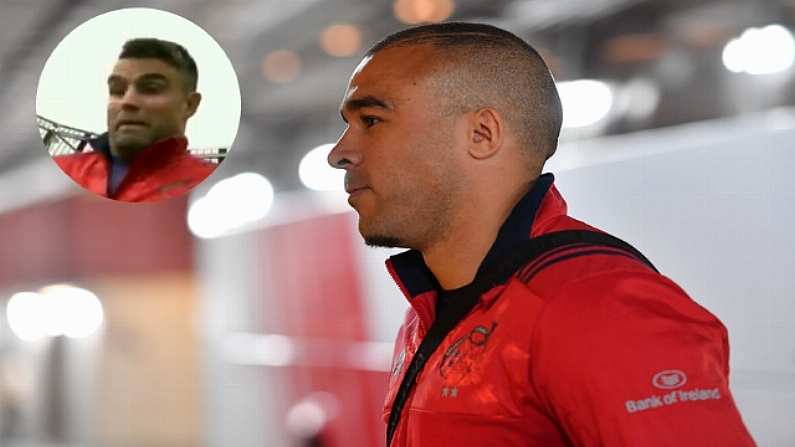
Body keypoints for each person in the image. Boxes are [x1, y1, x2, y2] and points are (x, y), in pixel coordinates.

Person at [328, 22, 756, 446]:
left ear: (482, 134)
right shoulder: (429, 312)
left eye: (371, 119)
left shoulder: (600, 309)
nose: (339, 153)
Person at [53, 38, 217, 202]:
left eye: (151, 89)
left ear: (189, 105)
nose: (127, 101)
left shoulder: (210, 188)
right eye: (117, 90)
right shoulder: (58, 176)